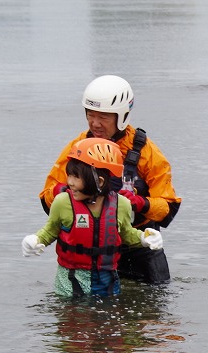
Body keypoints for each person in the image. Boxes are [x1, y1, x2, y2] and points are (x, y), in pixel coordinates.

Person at [40, 75, 180, 284]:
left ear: (121, 116)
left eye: (103, 117)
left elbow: (168, 208)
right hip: (92, 257)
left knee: (151, 314)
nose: (95, 123)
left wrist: (138, 202)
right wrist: (68, 192)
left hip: (139, 251)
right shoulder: (77, 147)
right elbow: (46, 198)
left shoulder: (146, 152)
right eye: (90, 115)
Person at [23, 137, 163, 299]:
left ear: (100, 181)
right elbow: (49, 231)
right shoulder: (62, 202)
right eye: (69, 175)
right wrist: (34, 240)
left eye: (76, 177)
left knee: (109, 320)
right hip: (70, 280)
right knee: (73, 319)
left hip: (107, 280)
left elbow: (126, 233)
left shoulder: (121, 205)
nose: (70, 182)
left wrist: (145, 238)